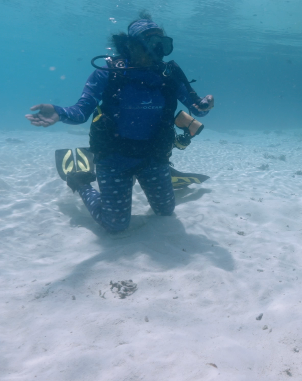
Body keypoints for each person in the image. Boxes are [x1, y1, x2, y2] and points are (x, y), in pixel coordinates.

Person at [26, 13, 214, 233]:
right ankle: (80, 181)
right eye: (152, 45)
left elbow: (197, 110)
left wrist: (205, 105)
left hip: (153, 156)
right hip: (114, 157)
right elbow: (80, 112)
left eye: (163, 45)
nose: (158, 53)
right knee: (115, 225)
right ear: (131, 46)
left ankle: (160, 177)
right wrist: (59, 112)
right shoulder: (108, 73)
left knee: (165, 211)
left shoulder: (169, 74)